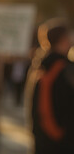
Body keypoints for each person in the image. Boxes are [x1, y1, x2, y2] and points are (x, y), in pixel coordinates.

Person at [30, 20, 74, 154]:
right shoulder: (63, 69)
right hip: (61, 140)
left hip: (44, 138)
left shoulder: (40, 66)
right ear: (63, 39)